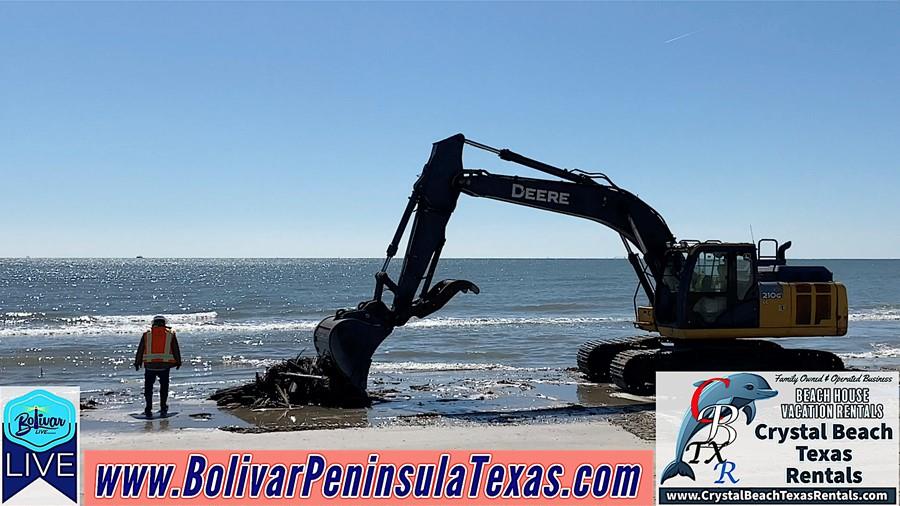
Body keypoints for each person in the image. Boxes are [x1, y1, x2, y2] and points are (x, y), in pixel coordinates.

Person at [134, 315, 182, 417]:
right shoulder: (170, 334)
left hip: (150, 365)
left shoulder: (147, 334)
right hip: (164, 366)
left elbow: (140, 349)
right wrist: (178, 361)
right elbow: (175, 349)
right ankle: (163, 407)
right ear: (164, 324)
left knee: (148, 388)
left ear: (153, 324)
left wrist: (137, 362)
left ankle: (148, 409)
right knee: (164, 387)